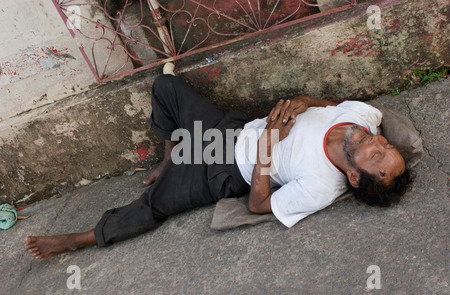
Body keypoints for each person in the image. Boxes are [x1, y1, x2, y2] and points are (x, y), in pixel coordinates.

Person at [24, 74, 410, 259]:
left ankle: (83, 238)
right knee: (165, 87)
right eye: (386, 144)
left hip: (223, 169)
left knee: (153, 205)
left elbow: (258, 205)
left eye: (377, 155)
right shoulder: (364, 119)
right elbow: (330, 104)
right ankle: (169, 158)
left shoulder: (322, 187)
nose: (377, 142)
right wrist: (302, 101)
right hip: (232, 127)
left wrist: (268, 148)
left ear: (355, 176)